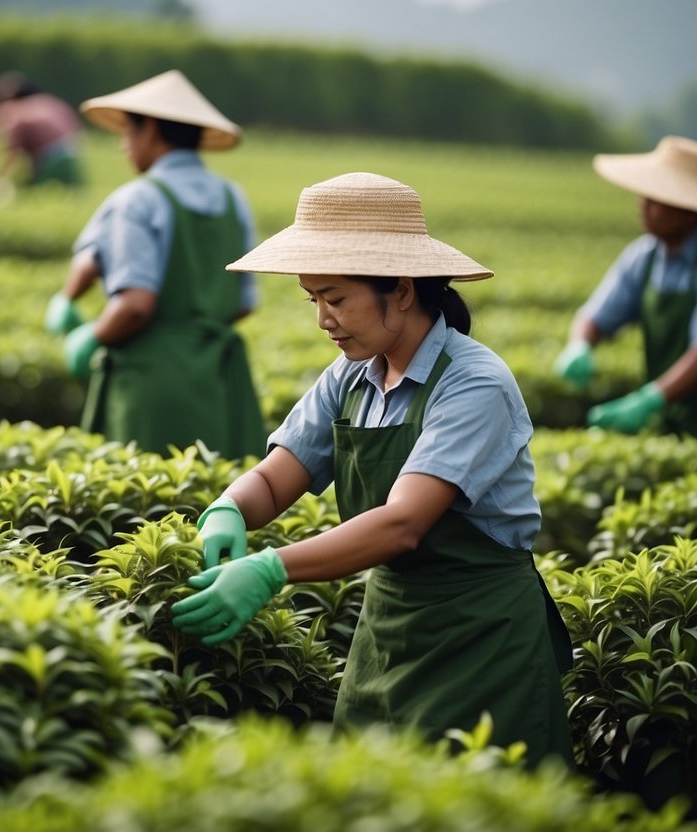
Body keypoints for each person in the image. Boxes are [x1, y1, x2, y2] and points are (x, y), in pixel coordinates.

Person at [170, 172, 575, 769]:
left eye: (336, 299)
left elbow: (403, 524)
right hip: (387, 629)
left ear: (403, 289)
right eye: (314, 300)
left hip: (481, 638)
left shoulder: (474, 383)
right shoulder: (351, 377)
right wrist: (228, 508)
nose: (324, 320)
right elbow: (278, 476)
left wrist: (270, 567)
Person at [46, 69, 266, 459]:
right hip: (217, 379)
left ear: (149, 129)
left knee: (141, 504)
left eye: (127, 131)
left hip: (149, 384)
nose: (122, 145)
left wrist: (92, 336)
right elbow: (244, 302)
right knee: (207, 496)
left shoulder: (138, 199)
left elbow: (134, 304)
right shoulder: (234, 199)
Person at [554, 135, 697, 446]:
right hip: (677, 415)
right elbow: (597, 315)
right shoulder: (643, 256)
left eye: (656, 198)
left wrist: (648, 400)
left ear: (690, 210)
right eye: (644, 195)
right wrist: (579, 346)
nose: (643, 205)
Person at [0, 71, 83, 200]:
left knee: (29, 195)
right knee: (75, 198)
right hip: (73, 154)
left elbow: (12, 152)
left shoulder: (16, 112)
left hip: (50, 158)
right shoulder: (49, 102)